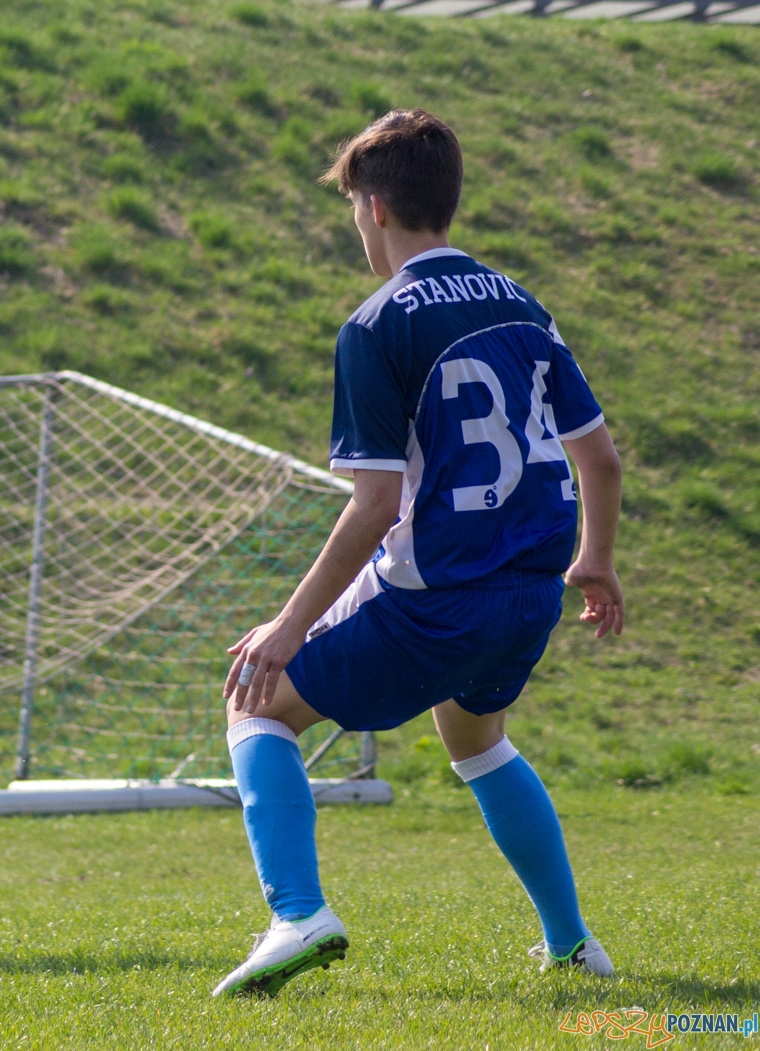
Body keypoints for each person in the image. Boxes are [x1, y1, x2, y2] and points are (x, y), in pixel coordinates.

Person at [211, 110, 624, 997]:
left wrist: (288, 625)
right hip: (531, 594)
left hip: (437, 594)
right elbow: (599, 457)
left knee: (256, 703)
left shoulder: (376, 325)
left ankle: (298, 914)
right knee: (477, 740)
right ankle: (571, 942)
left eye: (352, 209)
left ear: (375, 206)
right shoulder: (524, 305)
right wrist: (595, 558)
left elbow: (375, 505)